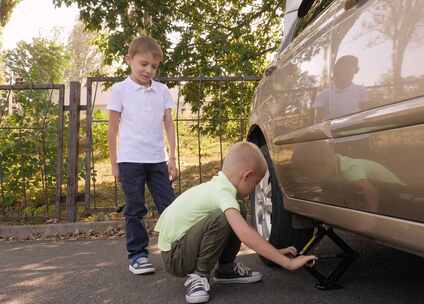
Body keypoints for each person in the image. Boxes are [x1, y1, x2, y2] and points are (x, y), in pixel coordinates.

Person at [155, 142, 317, 304]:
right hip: (176, 257)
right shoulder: (222, 193)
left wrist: (276, 252)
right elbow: (245, 233)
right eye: (254, 184)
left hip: (180, 248)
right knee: (225, 218)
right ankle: (199, 275)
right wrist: (289, 263)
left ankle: (226, 269)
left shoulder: (219, 187)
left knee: (237, 210)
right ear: (246, 176)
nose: (254, 190)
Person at [107, 36, 178, 275]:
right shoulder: (120, 90)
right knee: (135, 208)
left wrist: (173, 158)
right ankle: (137, 255)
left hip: (158, 159)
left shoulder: (162, 91)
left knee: (170, 206)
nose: (149, 70)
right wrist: (114, 162)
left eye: (154, 66)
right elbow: (112, 128)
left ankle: (177, 249)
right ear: (129, 60)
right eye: (144, 64)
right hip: (130, 160)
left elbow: (169, 123)